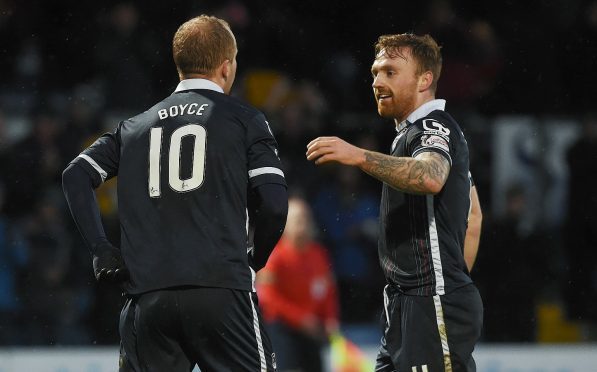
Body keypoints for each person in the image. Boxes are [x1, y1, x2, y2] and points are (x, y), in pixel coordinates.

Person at [62, 15, 288, 371]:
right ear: (226, 67)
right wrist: (255, 258)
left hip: (148, 298)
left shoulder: (134, 127)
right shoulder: (246, 119)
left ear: (179, 64)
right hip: (220, 290)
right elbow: (274, 206)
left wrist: (101, 249)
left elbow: (76, 175)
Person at [306, 33, 483, 371]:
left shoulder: (433, 126)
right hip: (410, 303)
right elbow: (473, 215)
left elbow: (431, 176)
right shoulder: (412, 134)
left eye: (390, 72)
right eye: (375, 72)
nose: (377, 81)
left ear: (424, 79)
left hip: (429, 300)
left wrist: (358, 156)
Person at [256, 196, 339, 372]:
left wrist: (330, 319)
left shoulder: (318, 254)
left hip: (312, 329)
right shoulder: (274, 256)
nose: (303, 224)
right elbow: (268, 297)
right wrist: (301, 319)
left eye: (306, 218)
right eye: (297, 219)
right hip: (282, 329)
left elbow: (328, 290)